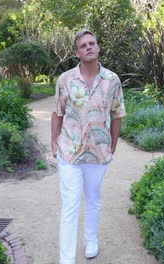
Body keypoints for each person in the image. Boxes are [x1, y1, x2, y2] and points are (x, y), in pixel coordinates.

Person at [51, 29, 126, 264]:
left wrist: (113, 143)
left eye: (92, 43)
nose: (89, 47)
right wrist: (54, 141)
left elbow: (117, 113)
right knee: (70, 204)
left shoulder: (112, 80)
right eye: (83, 45)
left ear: (98, 47)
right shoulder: (65, 80)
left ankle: (91, 240)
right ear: (77, 53)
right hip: (70, 152)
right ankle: (67, 259)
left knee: (93, 198)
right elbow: (57, 112)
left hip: (98, 152)